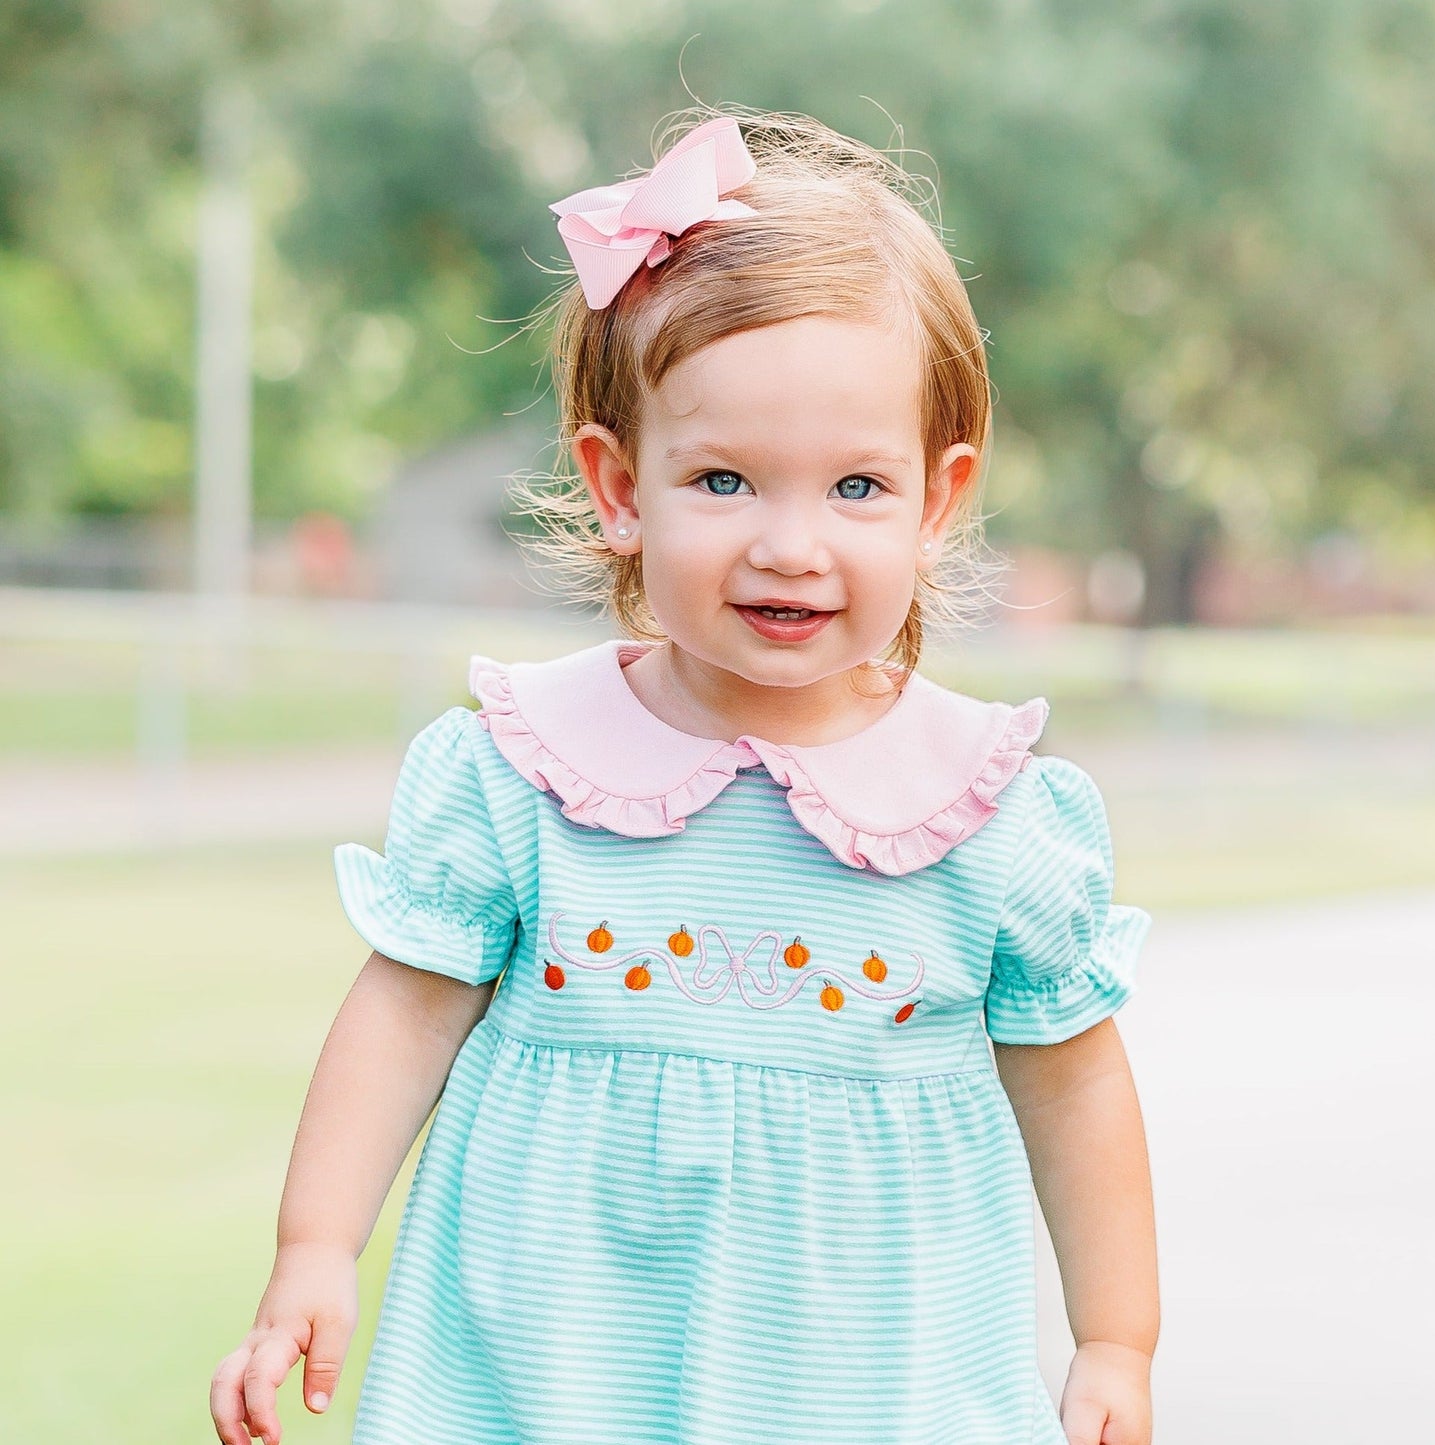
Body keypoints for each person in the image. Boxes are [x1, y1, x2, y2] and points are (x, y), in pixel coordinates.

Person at [210, 109, 1159, 1445]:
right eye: (722, 478)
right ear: (618, 485)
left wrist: (1115, 1335)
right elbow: (405, 1014)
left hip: (869, 1378)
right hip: (549, 1366)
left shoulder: (983, 808)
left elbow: (1070, 1083)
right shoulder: (525, 770)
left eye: (854, 487)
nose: (789, 543)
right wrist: (316, 1246)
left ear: (937, 500)